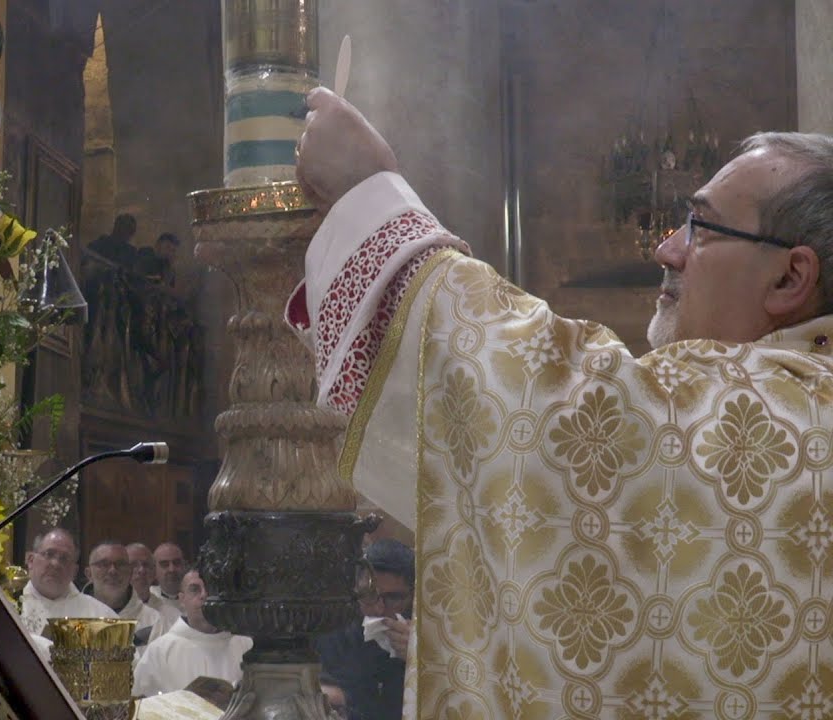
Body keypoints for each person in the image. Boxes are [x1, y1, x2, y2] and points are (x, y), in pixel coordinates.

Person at [293, 87, 833, 713]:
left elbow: (559, 410)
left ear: (791, 277)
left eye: (700, 227)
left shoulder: (776, 420)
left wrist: (372, 196)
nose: (667, 250)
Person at [317, 540, 413, 720]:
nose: (379, 609)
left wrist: (418, 662)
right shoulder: (332, 630)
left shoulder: (428, 635)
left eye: (393, 598)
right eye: (370, 595)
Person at [132, 569, 252, 697]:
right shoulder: (160, 651)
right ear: (182, 599)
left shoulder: (246, 646)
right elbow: (140, 705)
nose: (204, 595)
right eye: (195, 589)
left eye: (210, 589)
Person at [20, 528, 116, 635]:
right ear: (30, 560)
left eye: (64, 558)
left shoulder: (100, 615)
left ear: (74, 571)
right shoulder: (10, 605)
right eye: (49, 554)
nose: (55, 564)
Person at [83, 541, 163, 643]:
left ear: (130, 572)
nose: (113, 571)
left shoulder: (153, 621)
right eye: (104, 564)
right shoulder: (72, 614)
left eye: (120, 564)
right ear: (89, 573)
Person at [129, 542, 180, 638]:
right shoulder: (108, 612)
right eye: (133, 565)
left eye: (146, 565)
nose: (141, 570)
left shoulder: (172, 616)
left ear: (154, 571)